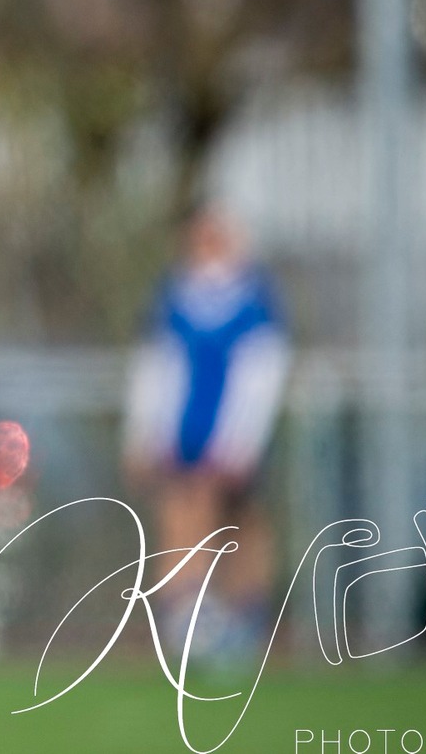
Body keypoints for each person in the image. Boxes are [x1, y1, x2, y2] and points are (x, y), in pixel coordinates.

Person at [121, 204, 290, 657]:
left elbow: (262, 376)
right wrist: (143, 436)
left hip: (235, 439)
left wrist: (238, 444)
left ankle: (246, 624)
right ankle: (185, 624)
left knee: (241, 527)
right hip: (182, 434)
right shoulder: (174, 297)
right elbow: (154, 370)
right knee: (181, 520)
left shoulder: (254, 301)